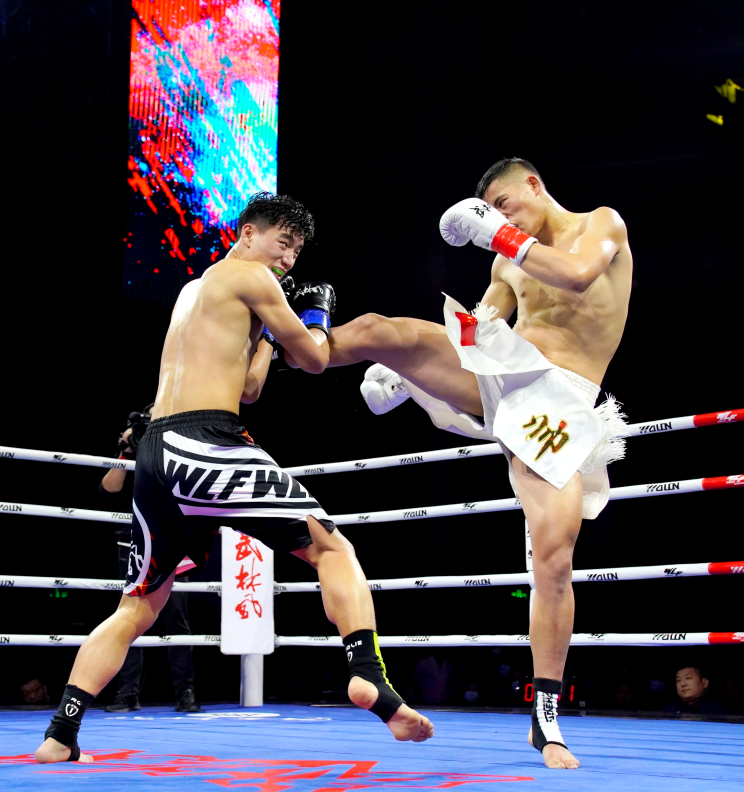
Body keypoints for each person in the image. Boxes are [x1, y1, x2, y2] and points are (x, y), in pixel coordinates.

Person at [35, 192, 433, 764]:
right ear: (247, 234)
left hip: (156, 452)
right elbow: (315, 359)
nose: (288, 259)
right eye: (282, 242)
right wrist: (315, 318)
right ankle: (369, 675)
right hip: (206, 443)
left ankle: (60, 733)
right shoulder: (252, 276)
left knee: (138, 607)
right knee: (332, 549)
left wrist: (267, 334)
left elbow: (249, 388)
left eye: (296, 251)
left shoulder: (194, 290)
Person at [321, 158, 631, 769]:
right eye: (490, 210)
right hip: (505, 378)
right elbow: (479, 330)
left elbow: (575, 276)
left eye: (504, 202)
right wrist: (422, 367)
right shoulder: (506, 258)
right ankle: (287, 344)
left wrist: (500, 233)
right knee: (384, 331)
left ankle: (545, 717)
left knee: (554, 558)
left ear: (534, 185)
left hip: (561, 406)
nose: (498, 216)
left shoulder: (600, 224)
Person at [99, 405, 200, 714]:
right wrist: (125, 450)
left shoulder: (183, 446)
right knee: (128, 619)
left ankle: (186, 694)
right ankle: (127, 694)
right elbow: (108, 490)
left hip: (171, 542)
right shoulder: (131, 453)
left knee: (176, 621)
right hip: (131, 542)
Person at [661, 666, 727, 715]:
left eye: (688, 678)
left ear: (704, 683)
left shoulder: (716, 710)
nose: (683, 684)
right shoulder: (670, 708)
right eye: (678, 680)